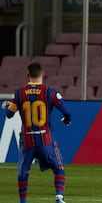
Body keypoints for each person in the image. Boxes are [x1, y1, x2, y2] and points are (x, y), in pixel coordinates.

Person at [1, 61, 71, 203]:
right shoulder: (50, 92)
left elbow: (9, 115)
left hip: (27, 140)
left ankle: (23, 201)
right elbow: (67, 112)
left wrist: (6, 106)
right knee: (58, 168)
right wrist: (66, 120)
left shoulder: (19, 93)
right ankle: (59, 197)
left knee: (23, 172)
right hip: (45, 138)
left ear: (27, 75)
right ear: (43, 74)